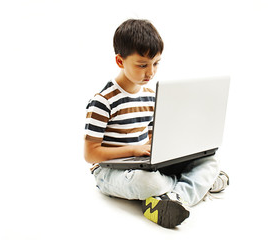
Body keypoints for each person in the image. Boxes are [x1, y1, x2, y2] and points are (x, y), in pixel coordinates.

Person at [84, 19, 229, 228]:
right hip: (109, 172)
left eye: (156, 63)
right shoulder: (103, 101)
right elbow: (91, 154)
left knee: (210, 160)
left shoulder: (152, 97)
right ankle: (196, 186)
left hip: (143, 162)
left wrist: (170, 152)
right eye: (142, 65)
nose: (150, 72)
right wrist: (135, 149)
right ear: (119, 61)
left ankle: (171, 197)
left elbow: (153, 140)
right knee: (147, 182)